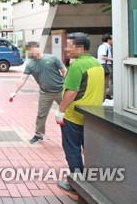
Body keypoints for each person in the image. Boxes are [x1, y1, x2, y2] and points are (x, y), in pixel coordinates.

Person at [55, 33, 104, 193]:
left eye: (69, 45)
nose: (66, 48)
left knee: (72, 150)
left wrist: (60, 111)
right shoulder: (97, 63)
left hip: (74, 117)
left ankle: (77, 184)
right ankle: (91, 182)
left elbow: (71, 92)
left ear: (80, 48)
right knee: (88, 150)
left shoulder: (76, 66)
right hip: (92, 116)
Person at [9, 41, 67, 144]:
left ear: (38, 48)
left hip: (60, 91)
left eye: (33, 49)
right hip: (45, 93)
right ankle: (39, 135)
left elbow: (64, 71)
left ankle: (71, 135)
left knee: (68, 113)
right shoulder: (30, 64)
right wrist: (14, 91)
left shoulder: (52, 58)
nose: (32, 53)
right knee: (41, 115)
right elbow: (23, 79)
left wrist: (66, 85)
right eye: (30, 51)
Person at [97, 33, 113, 100]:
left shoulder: (108, 47)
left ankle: (106, 96)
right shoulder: (103, 46)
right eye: (112, 38)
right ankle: (103, 98)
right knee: (105, 83)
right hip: (105, 66)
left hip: (107, 65)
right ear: (108, 39)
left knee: (108, 82)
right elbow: (102, 57)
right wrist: (113, 59)